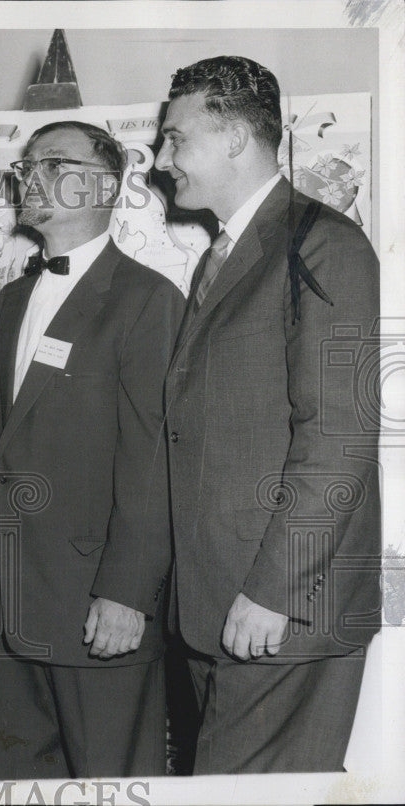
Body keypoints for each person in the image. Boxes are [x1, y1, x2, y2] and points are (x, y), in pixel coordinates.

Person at [155, 56, 380, 773]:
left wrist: (271, 591)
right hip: (223, 606)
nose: (161, 162)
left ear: (233, 140)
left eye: (173, 140)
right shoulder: (220, 256)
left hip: (281, 607)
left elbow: (339, 440)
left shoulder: (326, 247)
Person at [0, 121, 185, 778]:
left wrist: (128, 593)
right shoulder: (12, 300)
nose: (32, 176)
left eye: (54, 163)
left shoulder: (147, 299)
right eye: (28, 164)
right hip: (9, 607)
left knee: (112, 784)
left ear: (105, 184)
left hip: (98, 609)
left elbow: (156, 461)